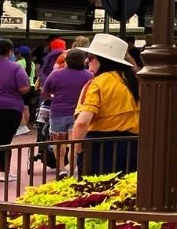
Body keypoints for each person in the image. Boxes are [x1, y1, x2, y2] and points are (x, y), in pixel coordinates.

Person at [72, 34, 140, 176]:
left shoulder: (97, 83)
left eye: (90, 57)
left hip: (100, 147)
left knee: (96, 193)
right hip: (132, 146)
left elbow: (82, 122)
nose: (86, 61)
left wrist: (78, 147)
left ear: (103, 60)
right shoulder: (134, 81)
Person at [40, 49, 93, 173]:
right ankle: (71, 169)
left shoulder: (55, 74)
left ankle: (61, 168)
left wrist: (53, 97)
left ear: (67, 60)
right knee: (73, 144)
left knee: (58, 144)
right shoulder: (89, 75)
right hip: (78, 113)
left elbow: (45, 92)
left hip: (58, 112)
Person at [0, 40, 31, 181]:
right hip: (11, 109)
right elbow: (24, 88)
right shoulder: (16, 67)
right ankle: (5, 173)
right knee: (5, 141)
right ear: (10, 51)